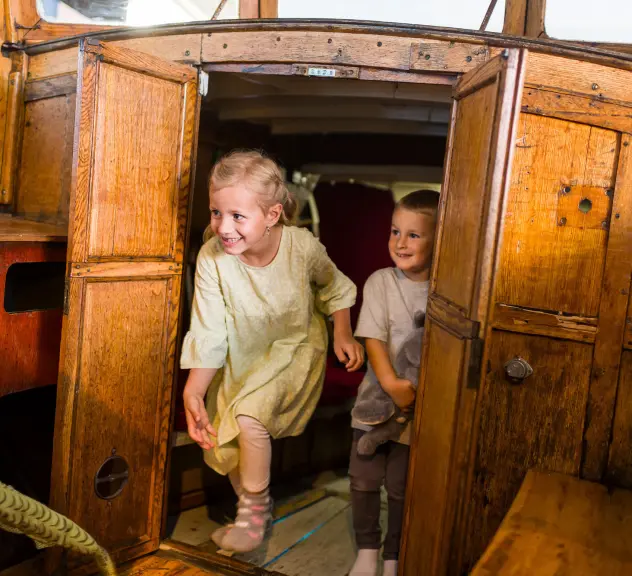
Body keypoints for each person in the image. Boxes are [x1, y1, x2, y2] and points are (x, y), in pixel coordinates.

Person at [180, 150, 364, 554]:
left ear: (273, 215)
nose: (223, 227)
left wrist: (343, 335)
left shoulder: (302, 248)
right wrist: (194, 391)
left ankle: (253, 512)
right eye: (215, 212)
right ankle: (251, 509)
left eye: (237, 216)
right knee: (223, 435)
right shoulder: (213, 257)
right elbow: (209, 329)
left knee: (249, 416)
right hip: (241, 354)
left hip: (296, 347)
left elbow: (335, 288)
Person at [349, 190, 439, 576]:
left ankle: (393, 557)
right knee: (364, 477)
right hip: (375, 401)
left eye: (414, 235)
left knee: (402, 487)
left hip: (418, 411)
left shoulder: (446, 290)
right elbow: (372, 338)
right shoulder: (380, 282)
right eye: (394, 231)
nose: (400, 243)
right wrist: (390, 382)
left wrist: (412, 396)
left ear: (440, 239)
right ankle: (367, 552)